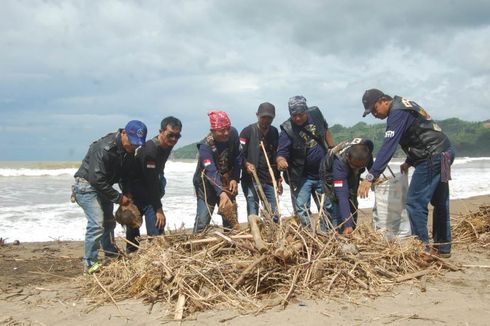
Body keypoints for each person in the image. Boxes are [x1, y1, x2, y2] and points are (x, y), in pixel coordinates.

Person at [358, 89, 455, 257]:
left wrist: (370, 176)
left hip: (432, 157)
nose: (374, 114)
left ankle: (421, 249)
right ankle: (443, 248)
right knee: (440, 202)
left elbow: (388, 147)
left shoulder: (396, 113)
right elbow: (419, 131)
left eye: (374, 109)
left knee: (414, 203)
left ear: (383, 101)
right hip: (445, 153)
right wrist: (409, 161)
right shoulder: (403, 105)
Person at [73, 120, 147, 273]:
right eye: (132, 142)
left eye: (137, 144)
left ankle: (110, 252)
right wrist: (119, 198)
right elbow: (96, 179)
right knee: (97, 224)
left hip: (104, 187)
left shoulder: (129, 152)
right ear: (124, 133)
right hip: (87, 186)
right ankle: (90, 263)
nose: (133, 147)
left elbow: (126, 176)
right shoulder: (104, 148)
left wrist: (126, 193)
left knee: (109, 222)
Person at [276, 95, 336, 230]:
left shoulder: (316, 114)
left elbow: (325, 131)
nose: (297, 118)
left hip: (322, 172)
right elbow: (282, 152)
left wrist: (332, 148)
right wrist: (281, 160)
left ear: (306, 111)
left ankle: (326, 233)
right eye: (294, 115)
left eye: (300, 114)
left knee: (328, 206)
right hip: (302, 176)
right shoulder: (287, 128)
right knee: (302, 209)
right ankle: (308, 235)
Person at [125, 116, 182, 253]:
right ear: (161, 132)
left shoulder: (167, 146)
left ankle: (155, 257)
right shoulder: (150, 150)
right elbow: (151, 181)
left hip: (150, 191)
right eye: (170, 135)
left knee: (156, 235)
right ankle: (131, 258)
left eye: (177, 136)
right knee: (135, 232)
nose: (174, 139)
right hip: (137, 193)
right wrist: (159, 209)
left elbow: (157, 174)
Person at [193, 110, 241, 233]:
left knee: (231, 220)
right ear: (213, 131)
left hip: (227, 180)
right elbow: (211, 171)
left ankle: (232, 248)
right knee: (203, 221)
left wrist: (235, 178)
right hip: (206, 184)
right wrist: (221, 193)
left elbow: (238, 157)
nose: (226, 133)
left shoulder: (233, 134)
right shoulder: (205, 146)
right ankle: (195, 245)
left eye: (227, 128)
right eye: (221, 130)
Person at [320, 138, 374, 235]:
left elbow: (371, 168)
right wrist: (347, 224)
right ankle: (332, 233)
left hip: (350, 170)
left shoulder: (367, 149)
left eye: (360, 167)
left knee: (353, 200)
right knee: (335, 203)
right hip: (329, 174)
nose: (357, 169)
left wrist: (372, 178)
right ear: (348, 157)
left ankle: (351, 231)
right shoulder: (339, 162)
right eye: (355, 166)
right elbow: (342, 197)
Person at [240, 102, 282, 219]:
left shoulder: (274, 132)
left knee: (274, 214)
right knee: (253, 210)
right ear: (257, 115)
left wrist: (278, 178)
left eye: (270, 118)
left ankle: (272, 235)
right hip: (251, 179)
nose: (266, 121)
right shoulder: (247, 131)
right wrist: (246, 164)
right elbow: (239, 155)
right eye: (263, 117)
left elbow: (276, 156)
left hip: (269, 180)